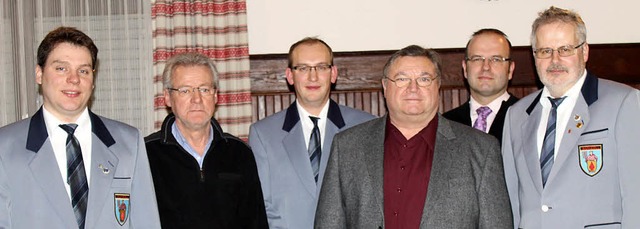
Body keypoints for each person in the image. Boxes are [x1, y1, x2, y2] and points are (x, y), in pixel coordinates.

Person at [315, 45, 512, 228]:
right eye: (401, 79)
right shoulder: (348, 146)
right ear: (385, 86)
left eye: (424, 79)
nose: (413, 88)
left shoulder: (481, 149)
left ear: (438, 86)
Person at [0, 27, 160, 228]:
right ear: (39, 74)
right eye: (61, 68)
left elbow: (147, 222)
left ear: (93, 80)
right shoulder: (5, 147)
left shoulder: (128, 142)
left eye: (83, 70)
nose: (74, 79)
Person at [502, 6, 640, 228]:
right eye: (545, 51)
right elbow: (512, 201)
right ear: (534, 55)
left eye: (565, 49)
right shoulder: (516, 115)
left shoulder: (623, 103)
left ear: (584, 52)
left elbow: (637, 197)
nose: (555, 60)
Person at [248, 37, 374, 229]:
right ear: (290, 76)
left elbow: (371, 201)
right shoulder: (263, 134)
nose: (312, 77)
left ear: (333, 74)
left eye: (321, 67)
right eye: (303, 68)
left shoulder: (365, 126)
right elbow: (262, 206)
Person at [145, 52, 268, 228]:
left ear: (215, 96)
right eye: (185, 90)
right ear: (167, 97)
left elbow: (256, 222)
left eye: (204, 89)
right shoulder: (146, 154)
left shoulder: (239, 153)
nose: (197, 99)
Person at [443, 28, 519, 142]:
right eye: (477, 59)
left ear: (510, 70)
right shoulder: (446, 124)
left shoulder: (528, 119)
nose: (486, 67)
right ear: (465, 69)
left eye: (496, 59)